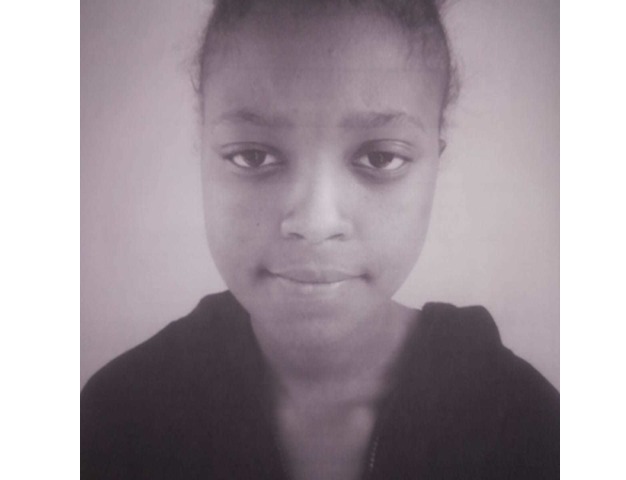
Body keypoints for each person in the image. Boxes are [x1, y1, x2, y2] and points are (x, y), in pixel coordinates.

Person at [81, 0, 559, 478]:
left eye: (380, 158)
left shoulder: (528, 427)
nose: (314, 221)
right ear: (202, 151)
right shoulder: (118, 420)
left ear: (436, 161)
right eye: (252, 156)